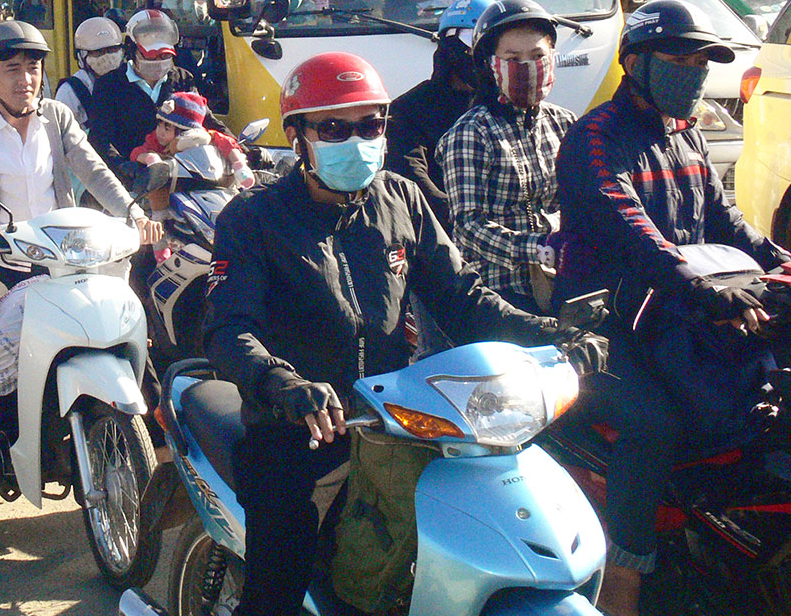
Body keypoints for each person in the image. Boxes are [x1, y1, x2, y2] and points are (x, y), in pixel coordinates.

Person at [201, 51, 603, 616]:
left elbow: (461, 295)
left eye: (370, 124)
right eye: (335, 127)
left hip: (397, 424)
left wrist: (549, 331)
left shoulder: (402, 199)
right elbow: (229, 327)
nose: (357, 139)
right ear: (298, 138)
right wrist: (284, 384)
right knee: (277, 589)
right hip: (297, 433)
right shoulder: (253, 218)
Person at [553, 0, 789, 616]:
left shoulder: (686, 135)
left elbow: (723, 218)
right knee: (655, 423)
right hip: (606, 328)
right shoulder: (595, 139)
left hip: (678, 315)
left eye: (702, 61)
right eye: (680, 59)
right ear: (635, 63)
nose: (695, 72)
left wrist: (789, 265)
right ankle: (625, 577)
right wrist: (699, 285)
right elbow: (630, 228)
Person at [0, 20, 162, 477]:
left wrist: (134, 215)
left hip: (63, 255)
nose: (25, 80)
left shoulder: (57, 116)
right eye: (12, 69)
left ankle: (153, 414)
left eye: (32, 68)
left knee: (125, 307)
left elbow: (93, 172)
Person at [437, 0, 575, 311]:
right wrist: (539, 247)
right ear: (490, 65)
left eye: (538, 56)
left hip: (564, 281)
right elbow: (468, 227)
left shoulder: (565, 123)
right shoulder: (471, 133)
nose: (527, 67)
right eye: (513, 58)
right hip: (499, 292)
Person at [386, 0, 494, 227]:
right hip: (439, 231)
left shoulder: (504, 105)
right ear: (449, 46)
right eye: (472, 40)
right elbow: (410, 173)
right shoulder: (409, 108)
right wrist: (460, 217)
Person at [87, 9, 210, 163]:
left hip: (183, 173)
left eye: (164, 56)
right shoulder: (109, 85)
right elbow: (99, 140)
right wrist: (126, 169)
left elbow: (205, 118)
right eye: (150, 56)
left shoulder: (183, 79)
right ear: (132, 50)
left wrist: (239, 150)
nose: (158, 63)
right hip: (130, 178)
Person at [130, 90, 254, 187]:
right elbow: (136, 152)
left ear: (185, 131)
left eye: (167, 129)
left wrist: (239, 165)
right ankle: (159, 213)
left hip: (210, 181)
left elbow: (228, 143)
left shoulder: (205, 137)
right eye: (159, 125)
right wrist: (150, 158)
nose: (160, 132)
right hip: (175, 186)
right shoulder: (155, 141)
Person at [56, 17, 122, 130]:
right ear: (82, 56)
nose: (107, 57)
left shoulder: (131, 82)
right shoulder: (70, 91)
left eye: (112, 50)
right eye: (98, 52)